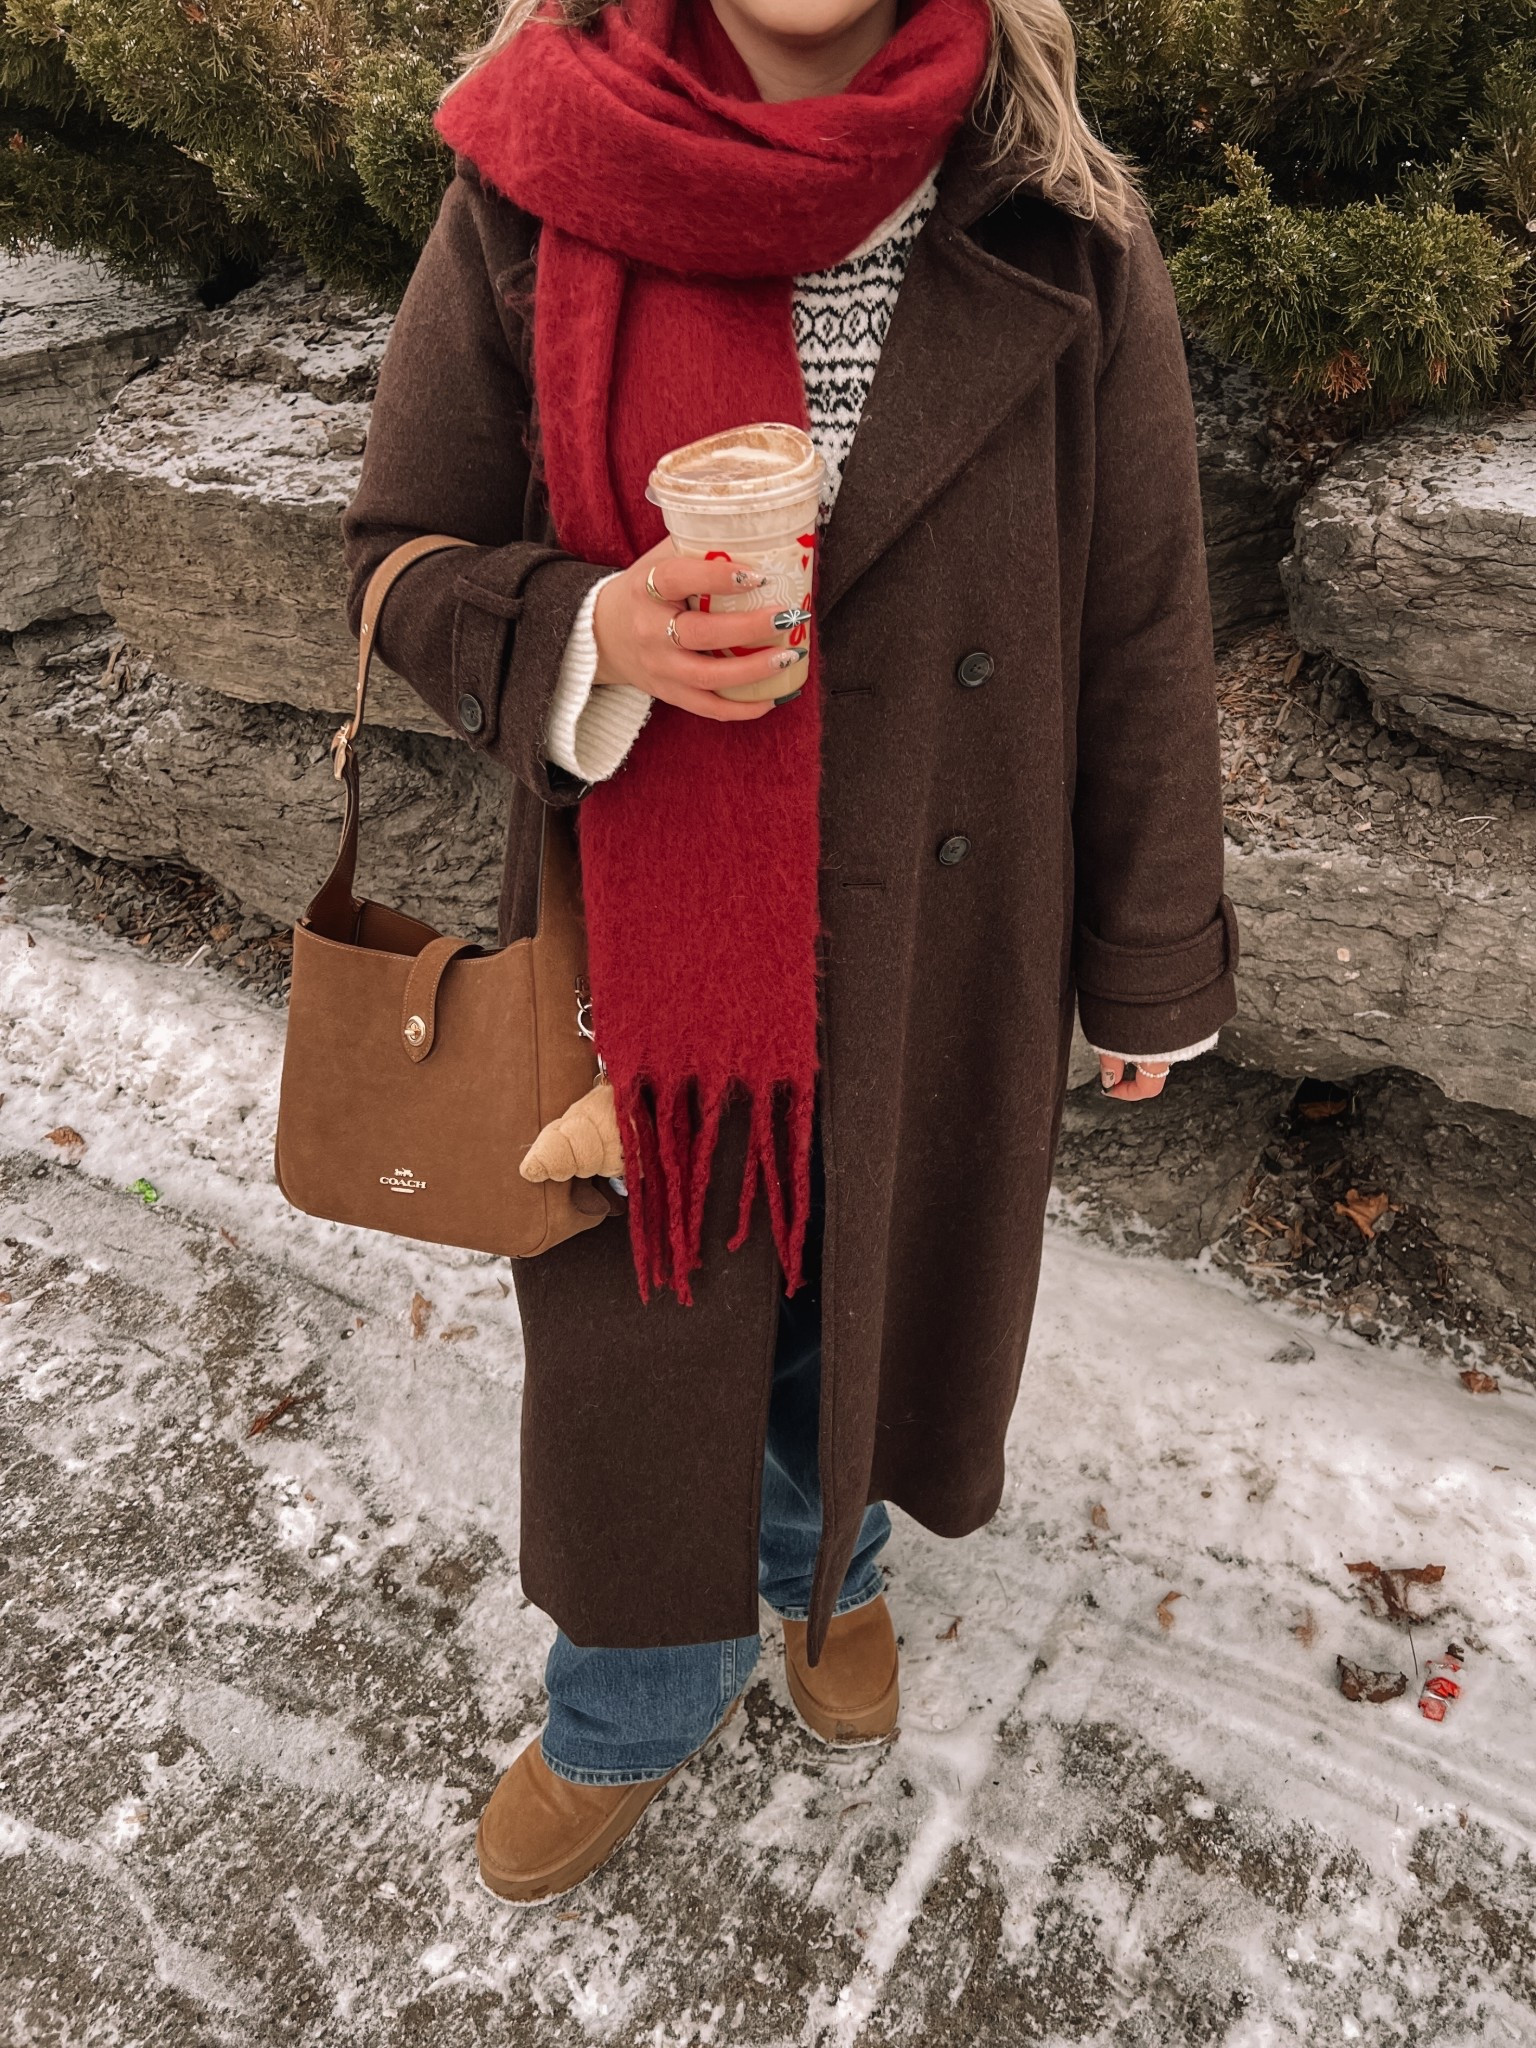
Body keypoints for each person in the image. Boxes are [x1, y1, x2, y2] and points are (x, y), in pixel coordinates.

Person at [339, 0, 1238, 1903]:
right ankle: (634, 1695)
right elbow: (400, 553)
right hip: (648, 945)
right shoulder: (536, 176)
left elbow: (1144, 612)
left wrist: (1151, 950)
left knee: (871, 1288)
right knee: (650, 1335)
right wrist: (593, 633)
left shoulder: (1055, 209)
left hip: (948, 919)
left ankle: (828, 1564)